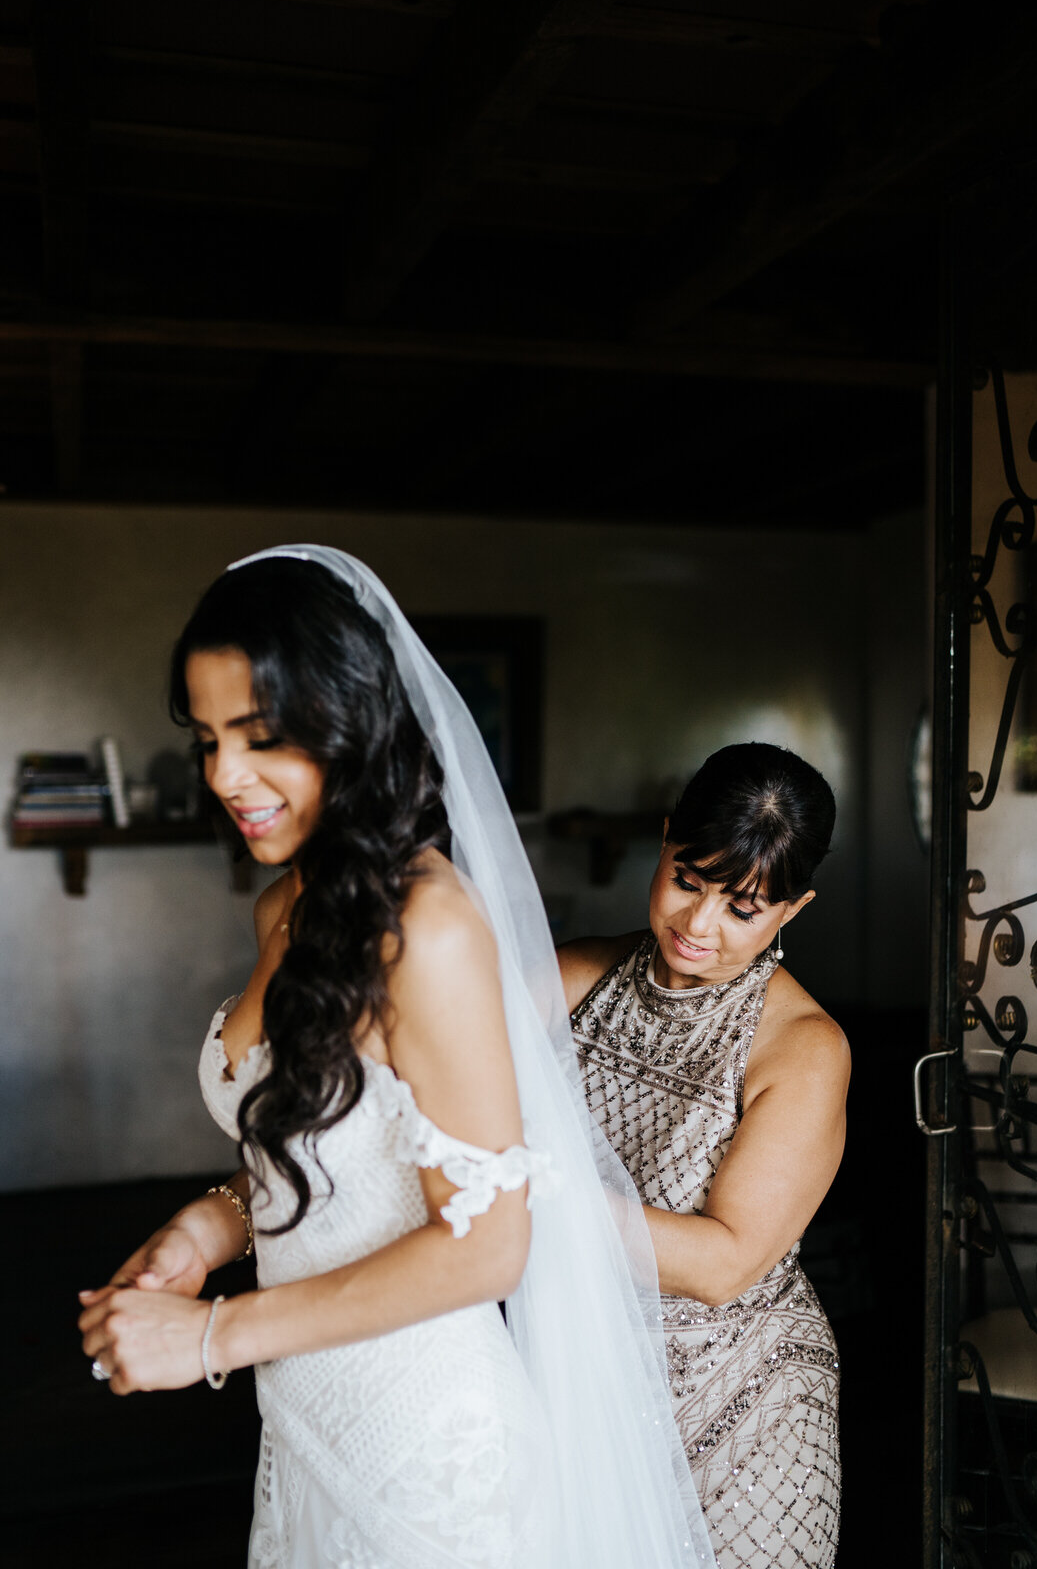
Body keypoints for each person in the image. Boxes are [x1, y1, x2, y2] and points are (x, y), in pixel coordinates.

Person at [77, 546, 713, 1569]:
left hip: (428, 1456)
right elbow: (334, 1142)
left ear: (349, 723)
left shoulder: (430, 928)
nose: (223, 776)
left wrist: (206, 1338)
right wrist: (210, 1224)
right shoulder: (284, 905)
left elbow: (485, 1245)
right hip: (308, 1424)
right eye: (206, 739)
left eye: (260, 735)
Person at [559, 743, 849, 1569]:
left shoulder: (802, 1047)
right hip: (583, 1379)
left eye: (743, 908)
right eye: (687, 881)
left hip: (744, 1407)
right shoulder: (575, 974)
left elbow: (724, 1263)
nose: (698, 926)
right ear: (662, 844)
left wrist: (524, 1197)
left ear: (791, 911)